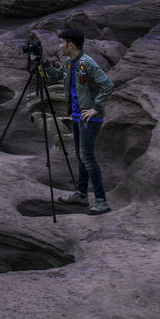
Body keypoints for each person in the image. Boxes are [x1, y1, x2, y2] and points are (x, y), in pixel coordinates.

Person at [42, 28, 114, 215]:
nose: (60, 46)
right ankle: (81, 194)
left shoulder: (87, 63)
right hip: (76, 117)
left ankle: (101, 201)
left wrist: (96, 108)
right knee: (81, 157)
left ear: (70, 45)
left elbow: (107, 85)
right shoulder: (69, 63)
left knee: (87, 157)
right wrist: (42, 63)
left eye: (62, 42)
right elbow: (57, 76)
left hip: (89, 119)